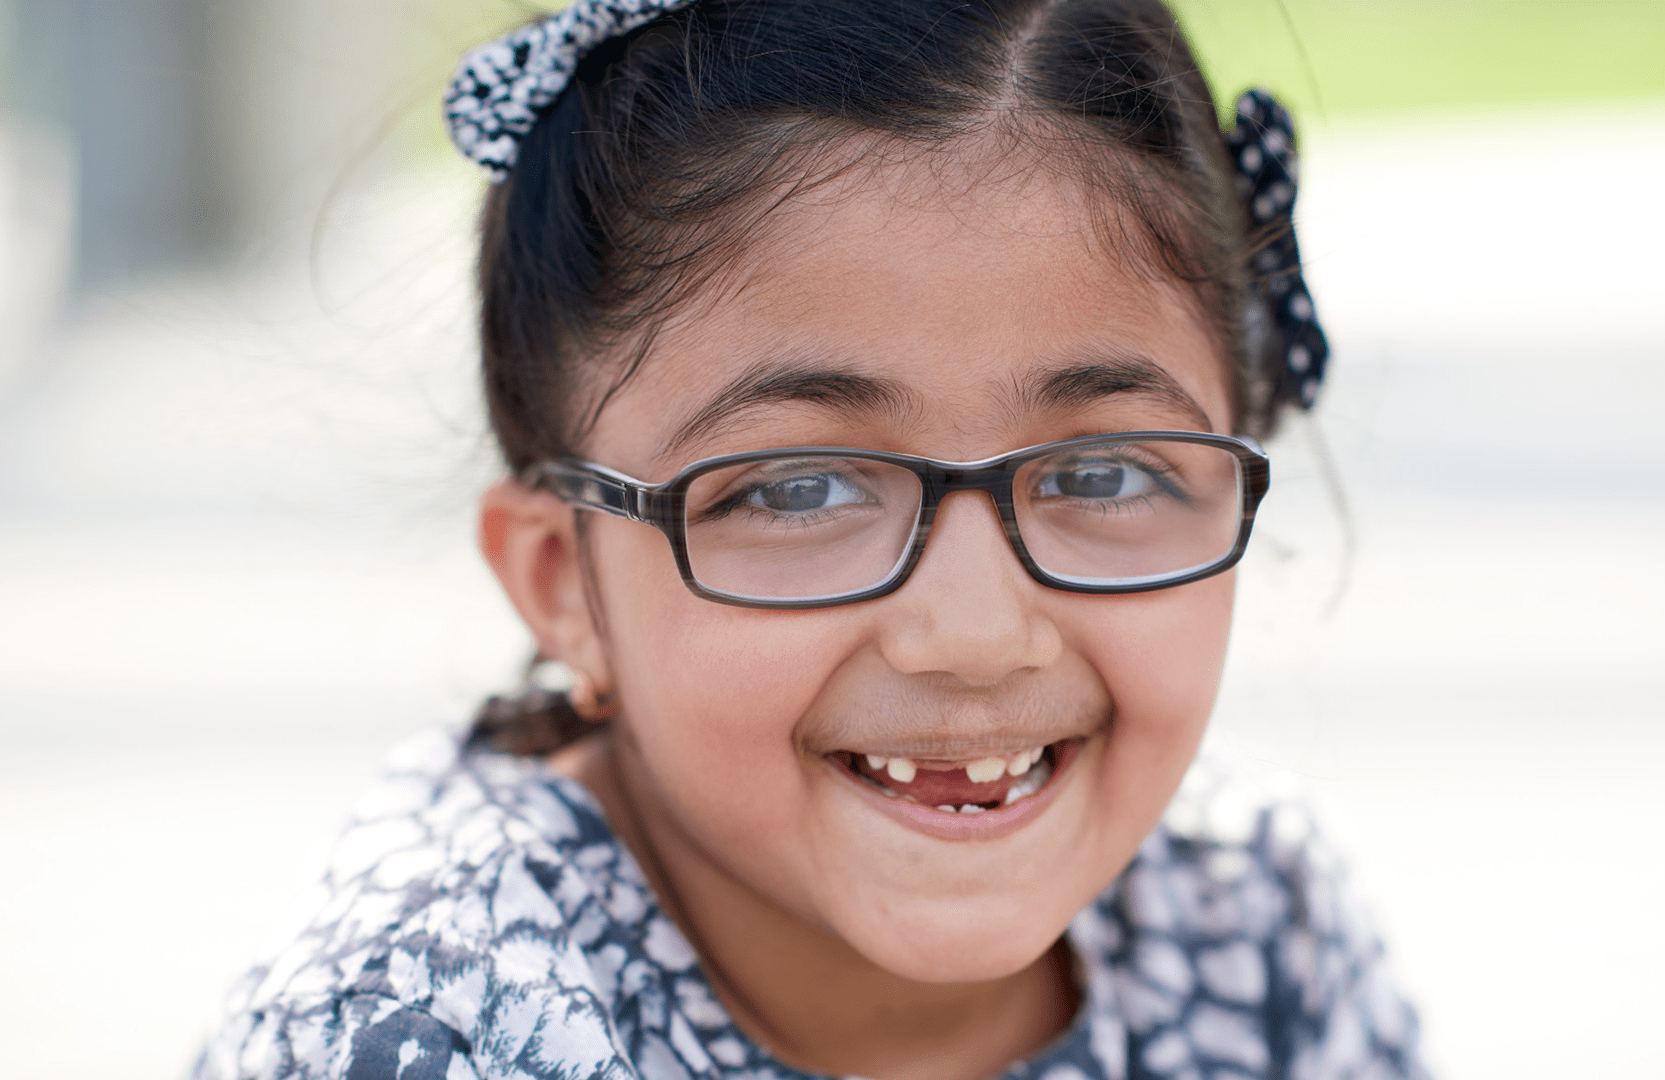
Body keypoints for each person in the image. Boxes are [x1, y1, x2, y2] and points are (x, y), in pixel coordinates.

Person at [194, 0, 1424, 1077]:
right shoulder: (432, 1030)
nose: (976, 633)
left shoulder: (1253, 915)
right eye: (795, 492)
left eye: (1102, 470)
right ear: (563, 578)